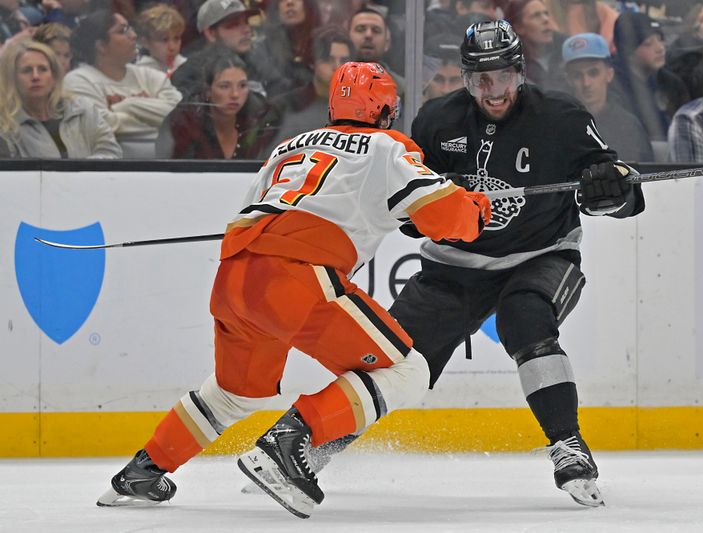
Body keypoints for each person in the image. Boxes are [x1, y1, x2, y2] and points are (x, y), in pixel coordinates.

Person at [96, 61, 492, 518]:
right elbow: (445, 217)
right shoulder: (388, 146)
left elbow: (270, 207)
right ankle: (289, 441)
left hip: (235, 276)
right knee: (407, 371)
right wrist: (474, 206)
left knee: (235, 392)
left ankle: (144, 470)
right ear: (384, 109)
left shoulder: (288, 146)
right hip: (296, 276)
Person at [310, 19, 645, 508]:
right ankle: (316, 448)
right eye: (479, 80)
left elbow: (626, 196)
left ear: (520, 72)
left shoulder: (563, 117)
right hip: (453, 267)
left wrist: (609, 191)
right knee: (393, 357)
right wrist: (417, 216)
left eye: (502, 77)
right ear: (465, 79)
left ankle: (568, 445)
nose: (492, 91)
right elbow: (410, 210)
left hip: (541, 255)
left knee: (527, 319)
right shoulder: (436, 120)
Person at [64, 9, 182, 158]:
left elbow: (179, 116)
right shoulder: (78, 81)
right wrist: (158, 122)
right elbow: (102, 125)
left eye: (130, 29)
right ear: (101, 45)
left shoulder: (148, 75)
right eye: (122, 31)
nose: (133, 36)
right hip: (110, 172)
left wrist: (128, 105)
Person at [0, 40, 121, 158]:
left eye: (42, 69)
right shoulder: (5, 125)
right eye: (27, 70)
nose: (36, 76)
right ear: (12, 79)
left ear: (54, 76)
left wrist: (79, 175)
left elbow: (111, 151)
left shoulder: (82, 109)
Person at [156, 49, 280, 159]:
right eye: (224, 86)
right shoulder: (185, 122)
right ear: (208, 91)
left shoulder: (262, 119)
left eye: (242, 85)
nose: (235, 94)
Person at [563, 32, 653, 161]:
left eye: (593, 73)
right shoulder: (559, 124)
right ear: (569, 80)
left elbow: (643, 175)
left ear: (609, 74)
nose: (586, 83)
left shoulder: (629, 126)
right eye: (577, 75)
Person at [610, 11, 689, 141]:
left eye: (660, 39)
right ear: (628, 49)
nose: (660, 48)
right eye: (648, 43)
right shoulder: (613, 87)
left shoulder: (671, 83)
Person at [268, 25, 353, 142]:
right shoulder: (284, 106)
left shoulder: (360, 109)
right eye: (327, 60)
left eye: (344, 61)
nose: (337, 67)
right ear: (312, 62)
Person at [507, 0, 568, 91]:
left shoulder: (566, 49)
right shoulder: (513, 66)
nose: (546, 19)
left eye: (546, 13)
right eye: (536, 15)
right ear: (519, 28)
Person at [348, 7, 404, 94]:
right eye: (360, 29)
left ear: (387, 43)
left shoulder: (403, 89)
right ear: (347, 38)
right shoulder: (331, 83)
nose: (368, 35)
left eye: (376, 30)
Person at [135, 4, 188, 78]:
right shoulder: (140, 73)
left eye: (176, 38)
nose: (172, 47)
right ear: (145, 42)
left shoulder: (185, 64)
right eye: (164, 40)